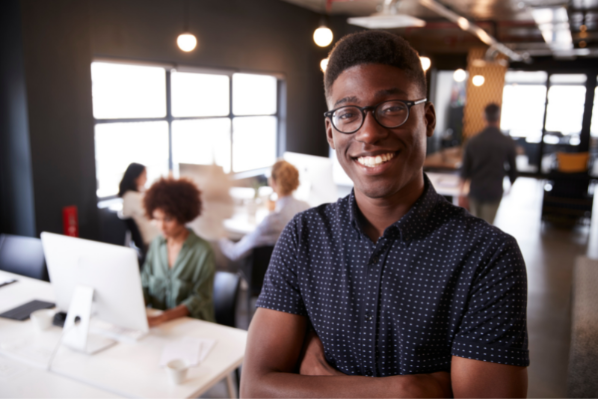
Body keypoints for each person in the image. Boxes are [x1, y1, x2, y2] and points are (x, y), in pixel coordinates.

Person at [242, 31, 528, 398]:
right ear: (331, 132)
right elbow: (255, 389)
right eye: (348, 114)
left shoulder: (487, 256)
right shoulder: (305, 236)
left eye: (392, 108)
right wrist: (405, 390)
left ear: (426, 118)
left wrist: (318, 381)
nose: (370, 132)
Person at [141, 177, 215, 327]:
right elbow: (145, 285)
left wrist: (162, 318)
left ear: (182, 216)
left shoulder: (203, 251)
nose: (161, 226)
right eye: (156, 218)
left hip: (193, 326)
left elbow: (199, 298)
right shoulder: (156, 245)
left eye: (168, 219)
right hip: (160, 326)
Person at [218, 160, 309, 261]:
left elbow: (235, 253)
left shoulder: (272, 220)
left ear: (273, 182)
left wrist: (220, 237)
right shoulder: (307, 209)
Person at [459, 103, 517, 224]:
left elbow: (465, 169)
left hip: (475, 189)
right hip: (494, 190)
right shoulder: (507, 141)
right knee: (488, 225)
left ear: (483, 117)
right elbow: (513, 169)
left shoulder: (473, 140)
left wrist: (461, 193)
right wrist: (511, 185)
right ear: (498, 117)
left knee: (475, 223)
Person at [118, 163, 160, 246]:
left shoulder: (131, 195)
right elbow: (152, 214)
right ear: (135, 177)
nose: (146, 179)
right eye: (144, 175)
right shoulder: (132, 197)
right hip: (150, 239)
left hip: (149, 235)